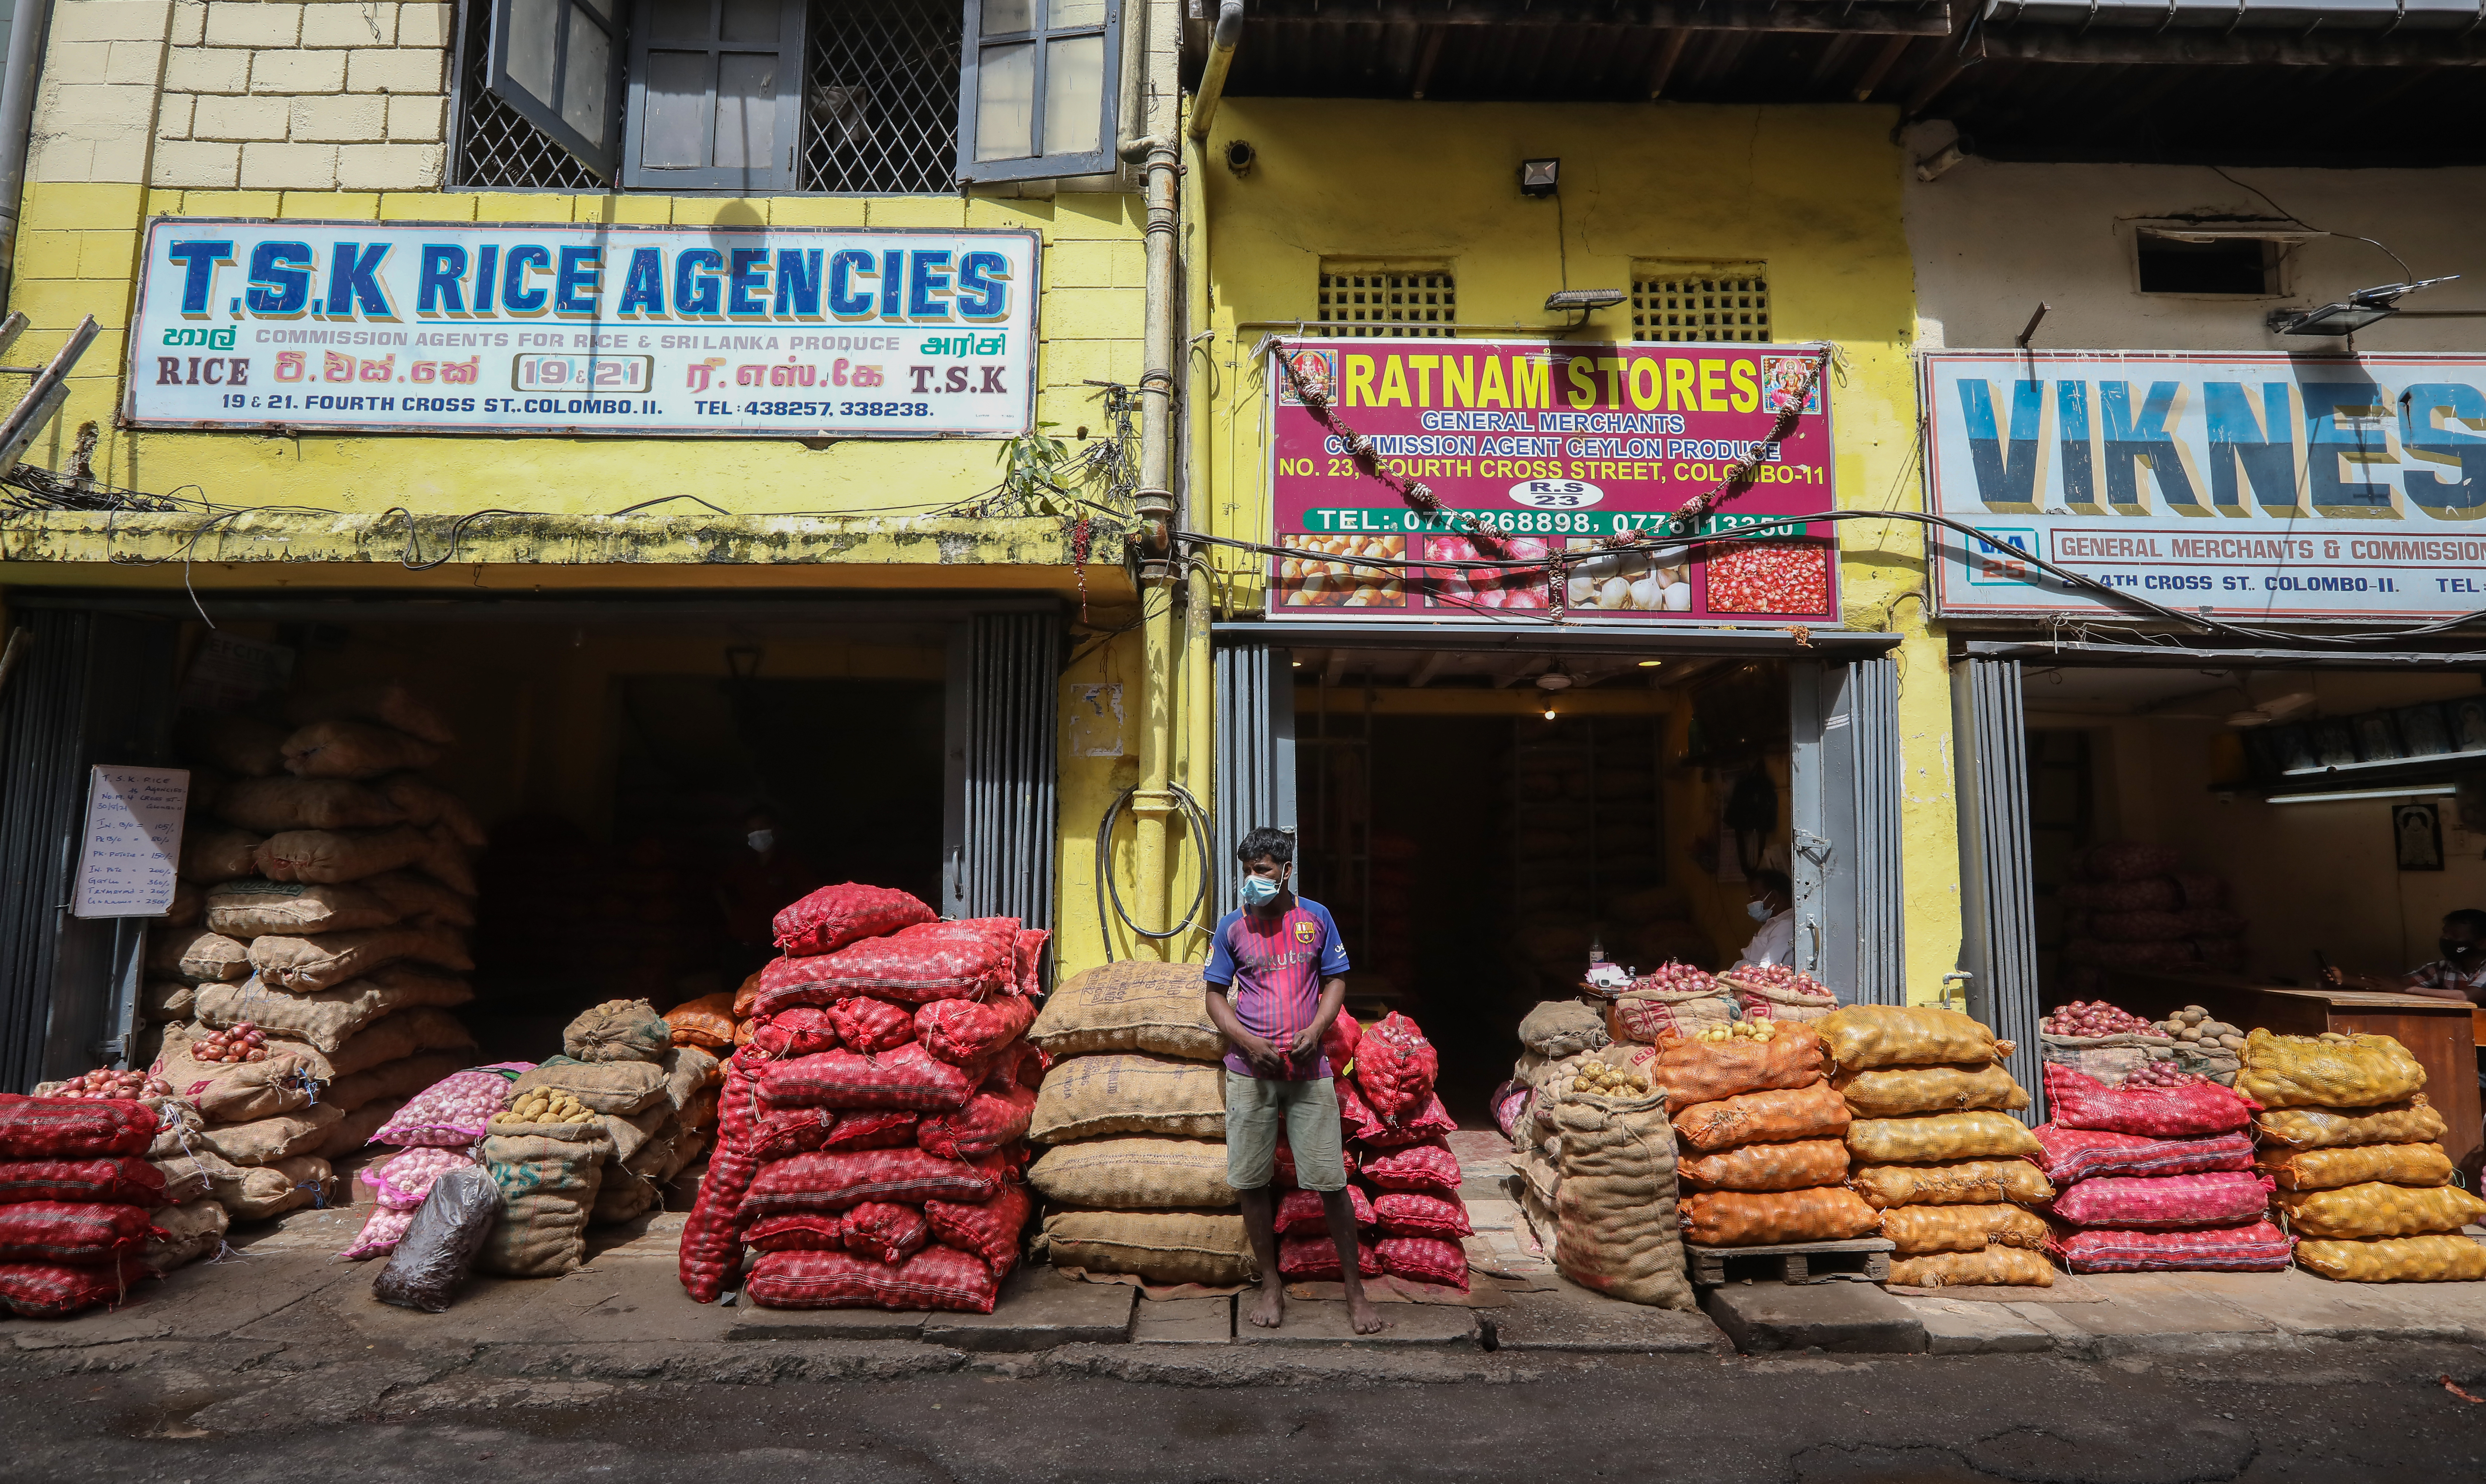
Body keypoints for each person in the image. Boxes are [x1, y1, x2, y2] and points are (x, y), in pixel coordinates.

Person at [1202, 827, 1383, 1336]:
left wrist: (1317, 1029)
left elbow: (1336, 981)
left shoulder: (1316, 918)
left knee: (1330, 1181)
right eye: (1247, 872)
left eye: (1262, 871)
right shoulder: (1231, 927)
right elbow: (1215, 996)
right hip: (1249, 1074)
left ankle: (1355, 1293)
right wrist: (1248, 1041)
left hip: (1309, 1072)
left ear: (1285, 871)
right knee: (1252, 1181)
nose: (1253, 881)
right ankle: (1271, 1286)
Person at [714, 807, 822, 982]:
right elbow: (720, 887)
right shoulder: (742, 864)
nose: (757, 834)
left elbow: (813, 898)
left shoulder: (791, 863)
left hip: (777, 948)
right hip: (743, 944)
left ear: (776, 829)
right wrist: (731, 916)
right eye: (752, 830)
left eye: (762, 828)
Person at [2325, 908, 2486, 1006]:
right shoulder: (2444, 967)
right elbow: (2392, 985)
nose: (2446, 940)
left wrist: (2403, 991)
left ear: (2481, 943)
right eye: (2445, 933)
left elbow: (2465, 997)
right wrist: (2342, 979)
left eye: (2455, 936)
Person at [1735, 867, 1796, 969]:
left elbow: (1766, 970)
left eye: (1755, 897)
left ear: (1774, 897)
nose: (1751, 903)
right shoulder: (1772, 924)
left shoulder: (1786, 927)